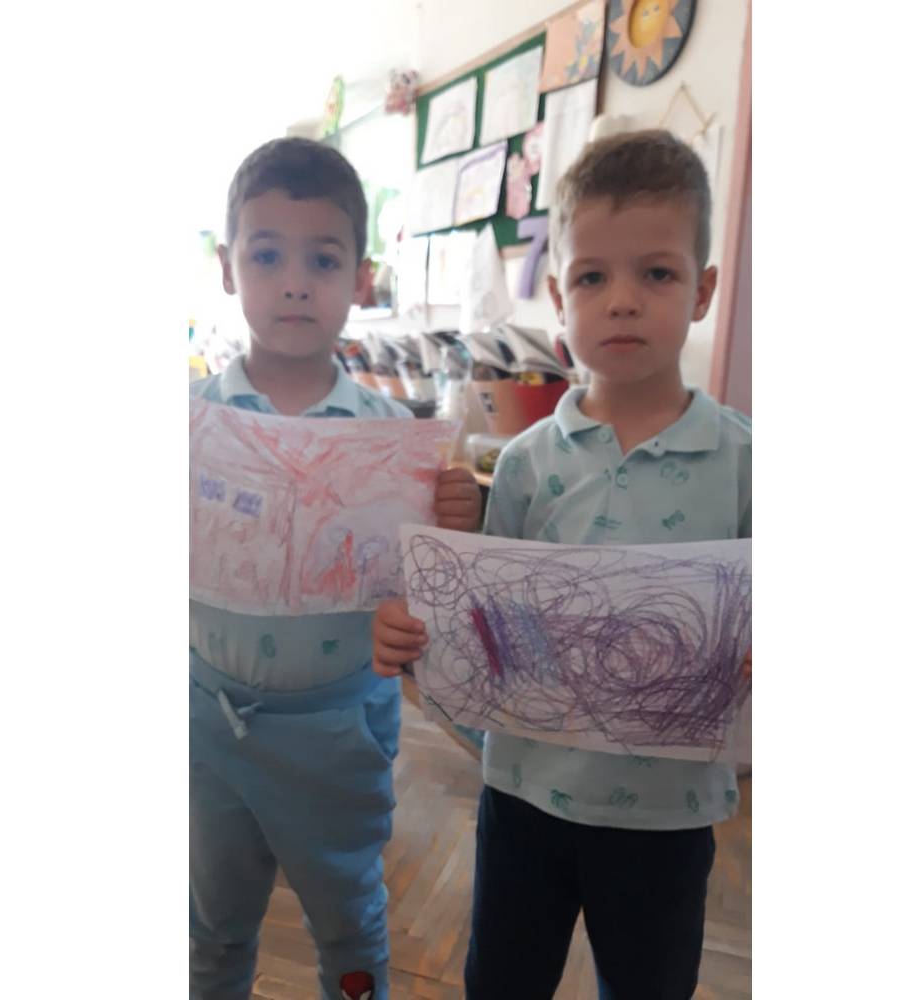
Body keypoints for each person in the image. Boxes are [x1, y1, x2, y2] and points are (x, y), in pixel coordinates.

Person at [372, 130, 751, 1000]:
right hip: (524, 793)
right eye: (591, 278)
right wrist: (414, 633)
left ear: (702, 291)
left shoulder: (745, 462)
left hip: (669, 814)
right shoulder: (524, 463)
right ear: (557, 296)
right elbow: (481, 630)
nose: (622, 302)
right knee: (503, 982)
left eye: (656, 274)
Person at [189, 137, 482, 1000]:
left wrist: (452, 524)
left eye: (322, 260)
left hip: (337, 729)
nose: (294, 283)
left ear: (360, 278)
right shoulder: (190, 422)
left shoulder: (395, 439)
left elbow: (429, 597)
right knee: (212, 922)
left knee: (348, 924)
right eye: (266, 255)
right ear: (228, 268)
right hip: (208, 719)